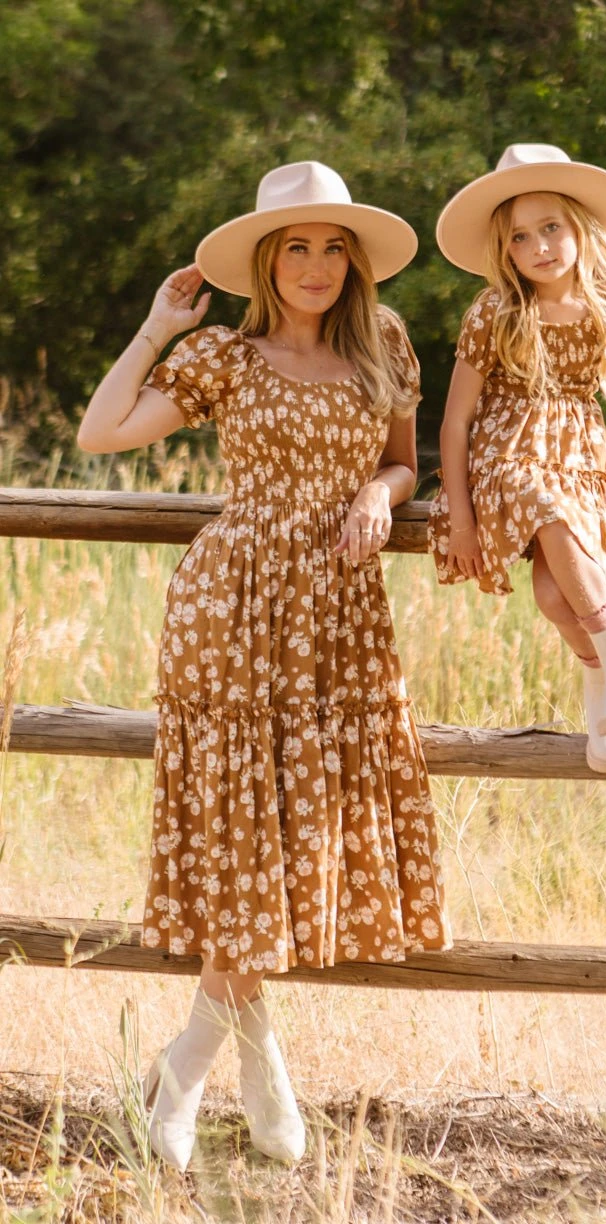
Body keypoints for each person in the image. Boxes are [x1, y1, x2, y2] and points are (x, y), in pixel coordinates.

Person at [78, 160, 451, 1172]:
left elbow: (405, 461)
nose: (317, 266)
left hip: (339, 618)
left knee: (303, 830)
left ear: (354, 261)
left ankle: (193, 1068)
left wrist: (378, 493)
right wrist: (156, 327)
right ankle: (229, 1073)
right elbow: (101, 432)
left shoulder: (385, 343)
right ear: (264, 261)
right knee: (247, 834)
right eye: (296, 248)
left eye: (333, 247)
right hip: (233, 606)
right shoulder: (223, 356)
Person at [428, 144, 606, 775]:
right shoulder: (496, 311)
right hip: (507, 458)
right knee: (541, 499)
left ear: (579, 228)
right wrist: (461, 518)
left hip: (576, 457)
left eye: (551, 227)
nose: (539, 246)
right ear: (506, 252)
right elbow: (455, 420)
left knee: (553, 596)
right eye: (520, 237)